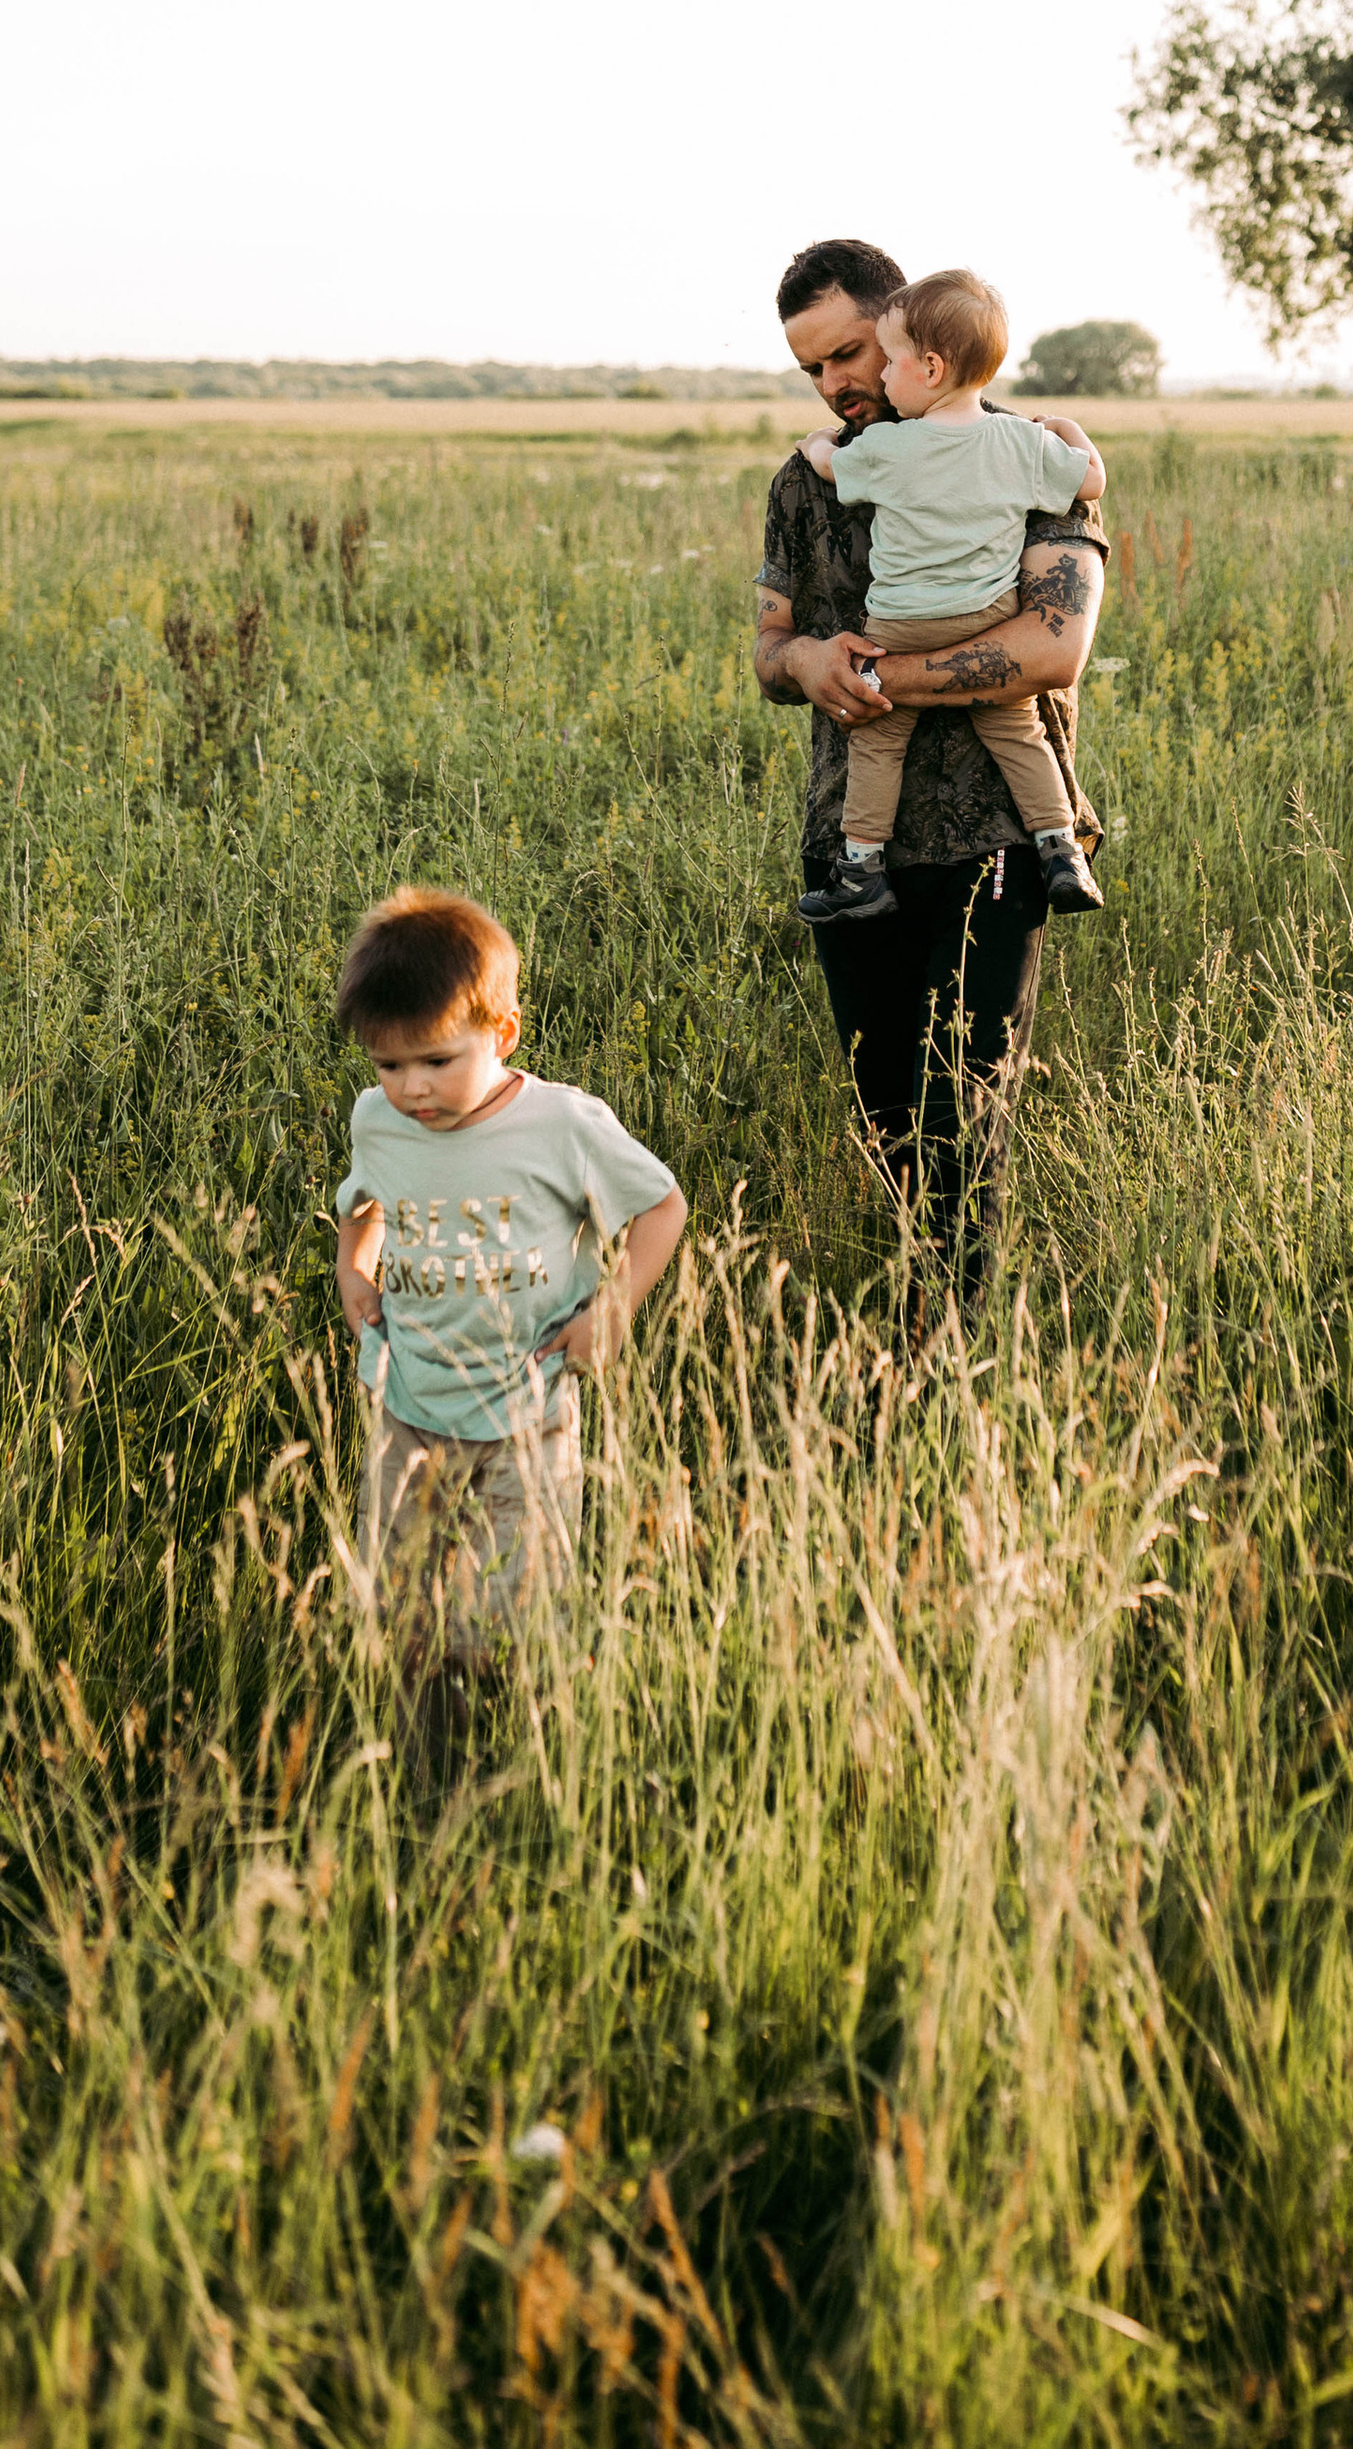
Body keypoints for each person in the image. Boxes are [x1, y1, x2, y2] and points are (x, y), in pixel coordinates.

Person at [755, 236, 1109, 1299]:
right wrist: (809, 659)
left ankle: (945, 1355)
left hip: (993, 835)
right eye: (812, 368)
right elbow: (771, 654)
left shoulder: (1024, 453)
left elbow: (1054, 648)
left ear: (911, 338)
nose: (835, 383)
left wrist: (885, 676)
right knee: (885, 1114)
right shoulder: (807, 481)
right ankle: (913, 1326)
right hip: (851, 840)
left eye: (850, 352)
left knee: (966, 1119)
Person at [330, 884, 687, 1655]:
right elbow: (362, 1201)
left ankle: (519, 1748)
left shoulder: (560, 1125)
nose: (412, 1087)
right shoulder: (377, 1119)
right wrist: (355, 1269)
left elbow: (663, 1208)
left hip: (530, 1417)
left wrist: (612, 1311)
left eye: (437, 1059)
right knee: (402, 1618)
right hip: (408, 1412)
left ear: (504, 1032)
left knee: (513, 1621)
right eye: (389, 1063)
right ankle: (424, 1755)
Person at [796, 264, 1106, 928]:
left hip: (902, 625)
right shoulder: (1023, 441)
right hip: (988, 617)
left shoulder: (887, 447)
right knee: (1019, 731)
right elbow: (1091, 482)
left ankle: (860, 867)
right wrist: (1070, 431)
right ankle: (1060, 848)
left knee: (879, 740)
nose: (881, 377)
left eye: (890, 362)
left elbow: (828, 465)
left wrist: (817, 442)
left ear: (930, 368)